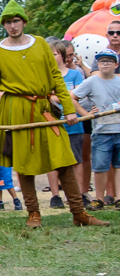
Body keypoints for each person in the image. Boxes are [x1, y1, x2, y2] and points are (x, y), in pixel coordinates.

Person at [0, 1, 107, 228]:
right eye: (8, 22)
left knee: (63, 159)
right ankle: (33, 213)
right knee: (24, 163)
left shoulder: (41, 45)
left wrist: (69, 109)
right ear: (4, 25)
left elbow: (56, 78)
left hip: (44, 109)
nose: (12, 25)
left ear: (23, 22)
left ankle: (79, 213)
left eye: (16, 21)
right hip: (15, 110)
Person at [73, 48, 120, 210]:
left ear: (116, 65)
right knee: (100, 166)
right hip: (101, 131)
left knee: (119, 165)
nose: (105, 64)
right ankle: (99, 199)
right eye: (102, 61)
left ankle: (119, 198)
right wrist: (86, 114)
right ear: (97, 65)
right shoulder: (91, 81)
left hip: (119, 129)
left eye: (109, 61)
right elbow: (73, 97)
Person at [47, 40, 87, 208]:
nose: (52, 57)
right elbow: (46, 96)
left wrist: (56, 95)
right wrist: (65, 95)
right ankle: (55, 195)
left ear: (62, 56)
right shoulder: (46, 76)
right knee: (54, 161)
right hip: (53, 123)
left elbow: (78, 95)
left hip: (74, 124)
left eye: (55, 54)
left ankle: (78, 194)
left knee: (77, 159)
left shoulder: (75, 74)